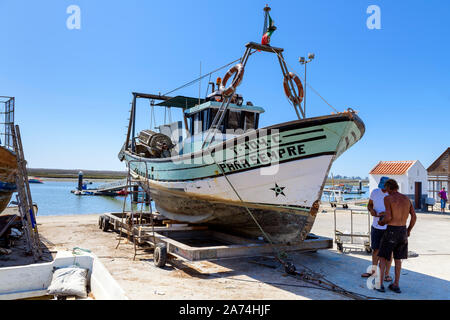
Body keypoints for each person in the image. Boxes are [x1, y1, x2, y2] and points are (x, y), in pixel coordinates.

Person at [377, 178, 417, 293]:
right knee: (398, 259)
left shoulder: (388, 198)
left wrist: (381, 222)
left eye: (386, 188)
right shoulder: (407, 199)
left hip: (391, 231)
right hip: (402, 230)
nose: (385, 191)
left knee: (383, 257)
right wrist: (408, 230)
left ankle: (380, 284)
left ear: (389, 187)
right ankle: (396, 284)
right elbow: (414, 217)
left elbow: (389, 218)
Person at [361, 176, 393, 282]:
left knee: (388, 252)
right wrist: (371, 210)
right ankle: (373, 272)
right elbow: (369, 205)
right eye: (382, 187)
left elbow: (397, 212)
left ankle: (387, 274)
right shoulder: (374, 192)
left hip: (389, 227)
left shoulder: (393, 195)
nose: (383, 189)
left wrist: (386, 214)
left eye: (385, 187)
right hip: (376, 226)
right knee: (376, 250)